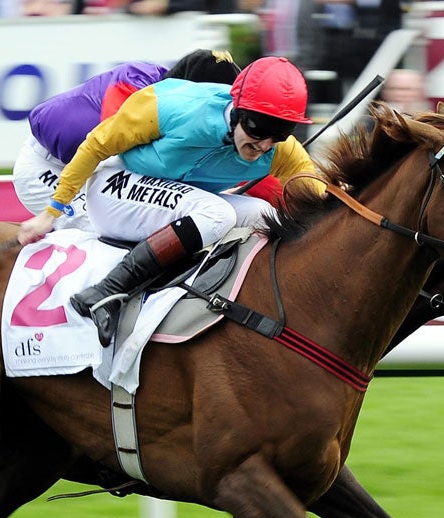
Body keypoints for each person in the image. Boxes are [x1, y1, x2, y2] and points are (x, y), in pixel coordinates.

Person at [17, 56, 328, 347]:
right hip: (112, 188)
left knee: (263, 214)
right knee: (216, 213)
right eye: (258, 128)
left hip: (163, 191)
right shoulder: (170, 107)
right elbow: (95, 146)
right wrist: (51, 211)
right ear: (237, 109)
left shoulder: (277, 148)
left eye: (281, 133)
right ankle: (107, 293)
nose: (264, 145)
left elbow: (311, 186)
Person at [12, 49, 242, 230]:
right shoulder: (133, 88)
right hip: (48, 168)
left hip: (86, 163)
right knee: (117, 224)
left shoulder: (176, 96)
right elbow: (123, 161)